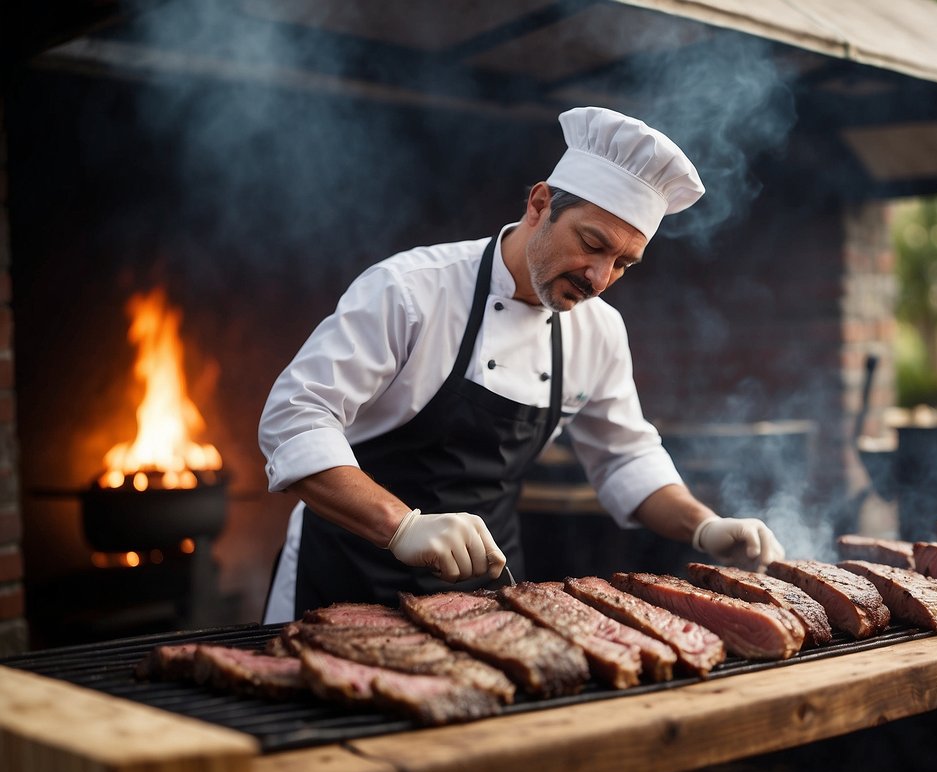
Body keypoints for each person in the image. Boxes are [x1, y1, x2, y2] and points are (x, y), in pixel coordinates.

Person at [259, 106, 785, 624]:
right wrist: (402, 527)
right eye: (592, 243)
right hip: (343, 580)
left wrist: (703, 526)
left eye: (623, 263)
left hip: (484, 598)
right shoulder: (411, 289)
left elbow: (625, 457)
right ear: (540, 204)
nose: (599, 278)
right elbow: (295, 418)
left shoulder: (598, 330)